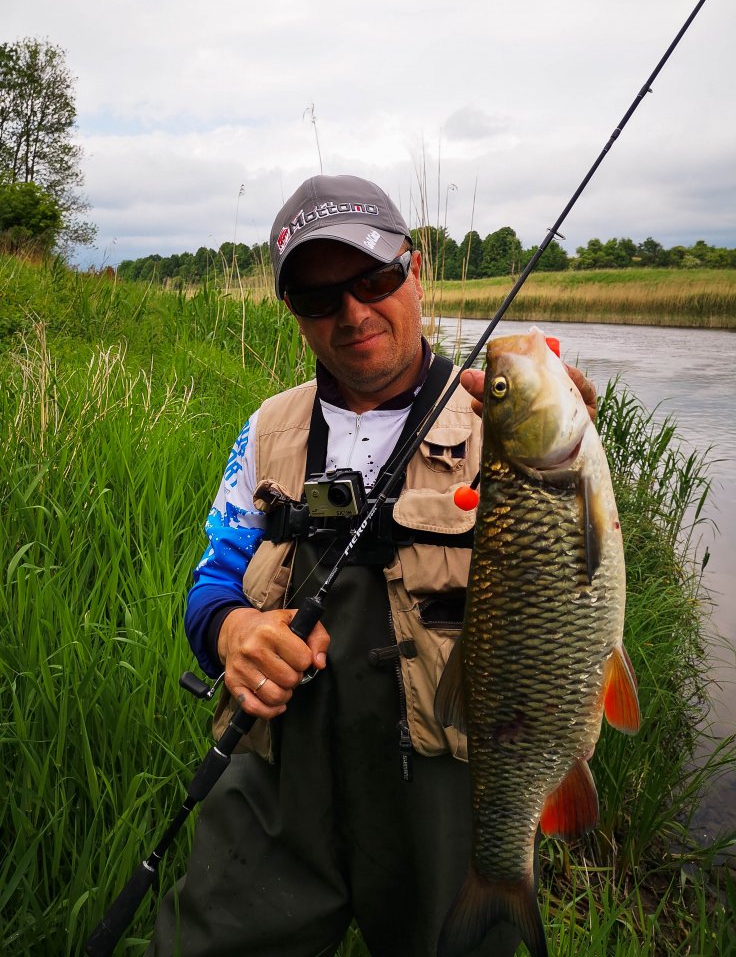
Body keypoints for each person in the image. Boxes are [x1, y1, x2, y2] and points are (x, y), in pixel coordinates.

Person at [147, 174, 596, 957]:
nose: (353, 313)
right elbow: (210, 583)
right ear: (294, 312)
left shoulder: (500, 417)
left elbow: (585, 568)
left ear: (413, 270)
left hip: (446, 781)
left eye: (373, 279)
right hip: (278, 778)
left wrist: (576, 430)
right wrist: (234, 634)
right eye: (321, 298)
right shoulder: (266, 430)